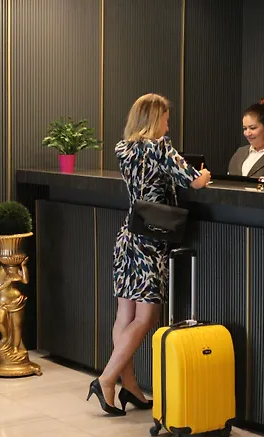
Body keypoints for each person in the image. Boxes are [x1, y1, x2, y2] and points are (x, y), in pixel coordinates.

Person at [87, 93, 211, 416]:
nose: (168, 126)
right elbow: (195, 182)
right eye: (166, 120)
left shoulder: (123, 149)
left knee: (124, 315)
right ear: (155, 120)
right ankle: (107, 379)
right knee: (147, 317)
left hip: (128, 236)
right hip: (151, 242)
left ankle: (130, 386)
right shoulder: (161, 148)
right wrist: (206, 175)